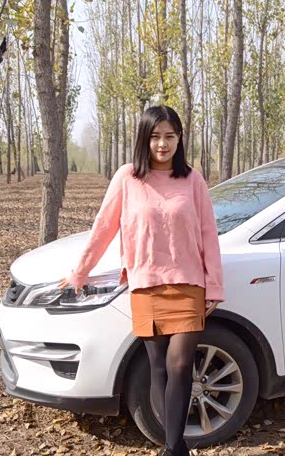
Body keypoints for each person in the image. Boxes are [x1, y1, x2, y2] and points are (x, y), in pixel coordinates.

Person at [57, 105, 225, 456]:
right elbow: (104, 227)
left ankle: (173, 449)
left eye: (170, 136)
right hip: (145, 285)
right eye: (155, 136)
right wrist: (80, 271)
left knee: (181, 365)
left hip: (187, 284)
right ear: (144, 139)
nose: (163, 144)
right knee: (158, 367)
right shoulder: (128, 177)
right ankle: (174, 446)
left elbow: (209, 233)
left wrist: (214, 285)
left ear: (180, 139)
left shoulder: (193, 179)